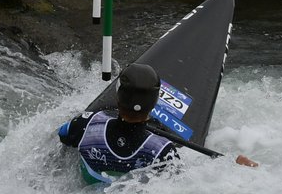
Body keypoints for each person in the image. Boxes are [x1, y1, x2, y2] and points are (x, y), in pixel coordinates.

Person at [57, 62, 257, 185]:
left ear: (117, 98)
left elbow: (63, 135)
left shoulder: (87, 124)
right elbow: (184, 185)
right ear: (154, 105)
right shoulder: (161, 150)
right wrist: (235, 168)